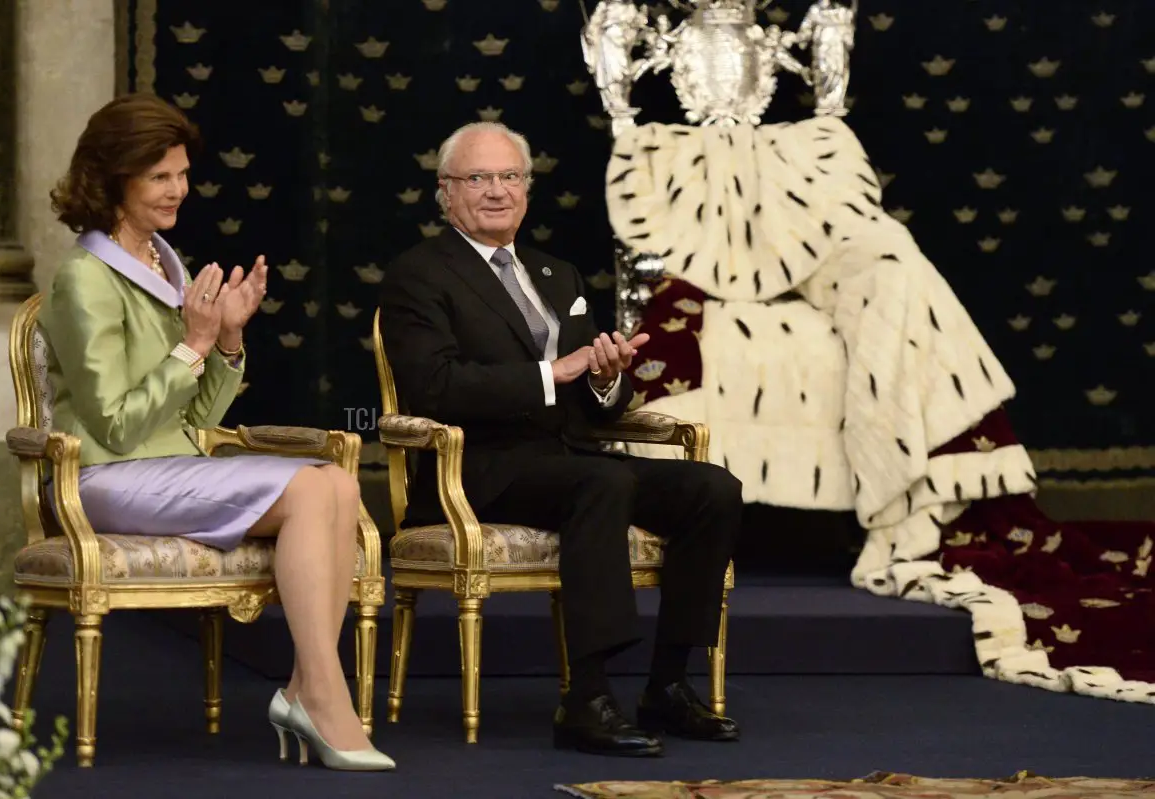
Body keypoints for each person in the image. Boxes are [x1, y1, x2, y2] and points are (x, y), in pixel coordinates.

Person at [41, 93, 393, 772]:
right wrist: (192, 344)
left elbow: (195, 421)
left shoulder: (164, 263)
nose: (180, 189)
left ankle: (305, 686)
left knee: (340, 485)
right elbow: (115, 422)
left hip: (168, 468)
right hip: (103, 478)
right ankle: (322, 692)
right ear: (114, 178)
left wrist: (226, 340)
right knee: (316, 490)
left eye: (182, 173)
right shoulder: (83, 278)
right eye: (161, 176)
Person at [378, 120, 743, 757]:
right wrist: (553, 374)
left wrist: (603, 378)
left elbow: (596, 399)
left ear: (527, 188)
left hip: (569, 459)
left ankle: (668, 683)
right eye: (479, 178)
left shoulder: (557, 274)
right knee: (604, 480)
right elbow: (435, 389)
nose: (497, 191)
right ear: (447, 192)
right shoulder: (421, 274)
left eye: (510, 177)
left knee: (710, 487)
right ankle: (588, 697)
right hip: (477, 469)